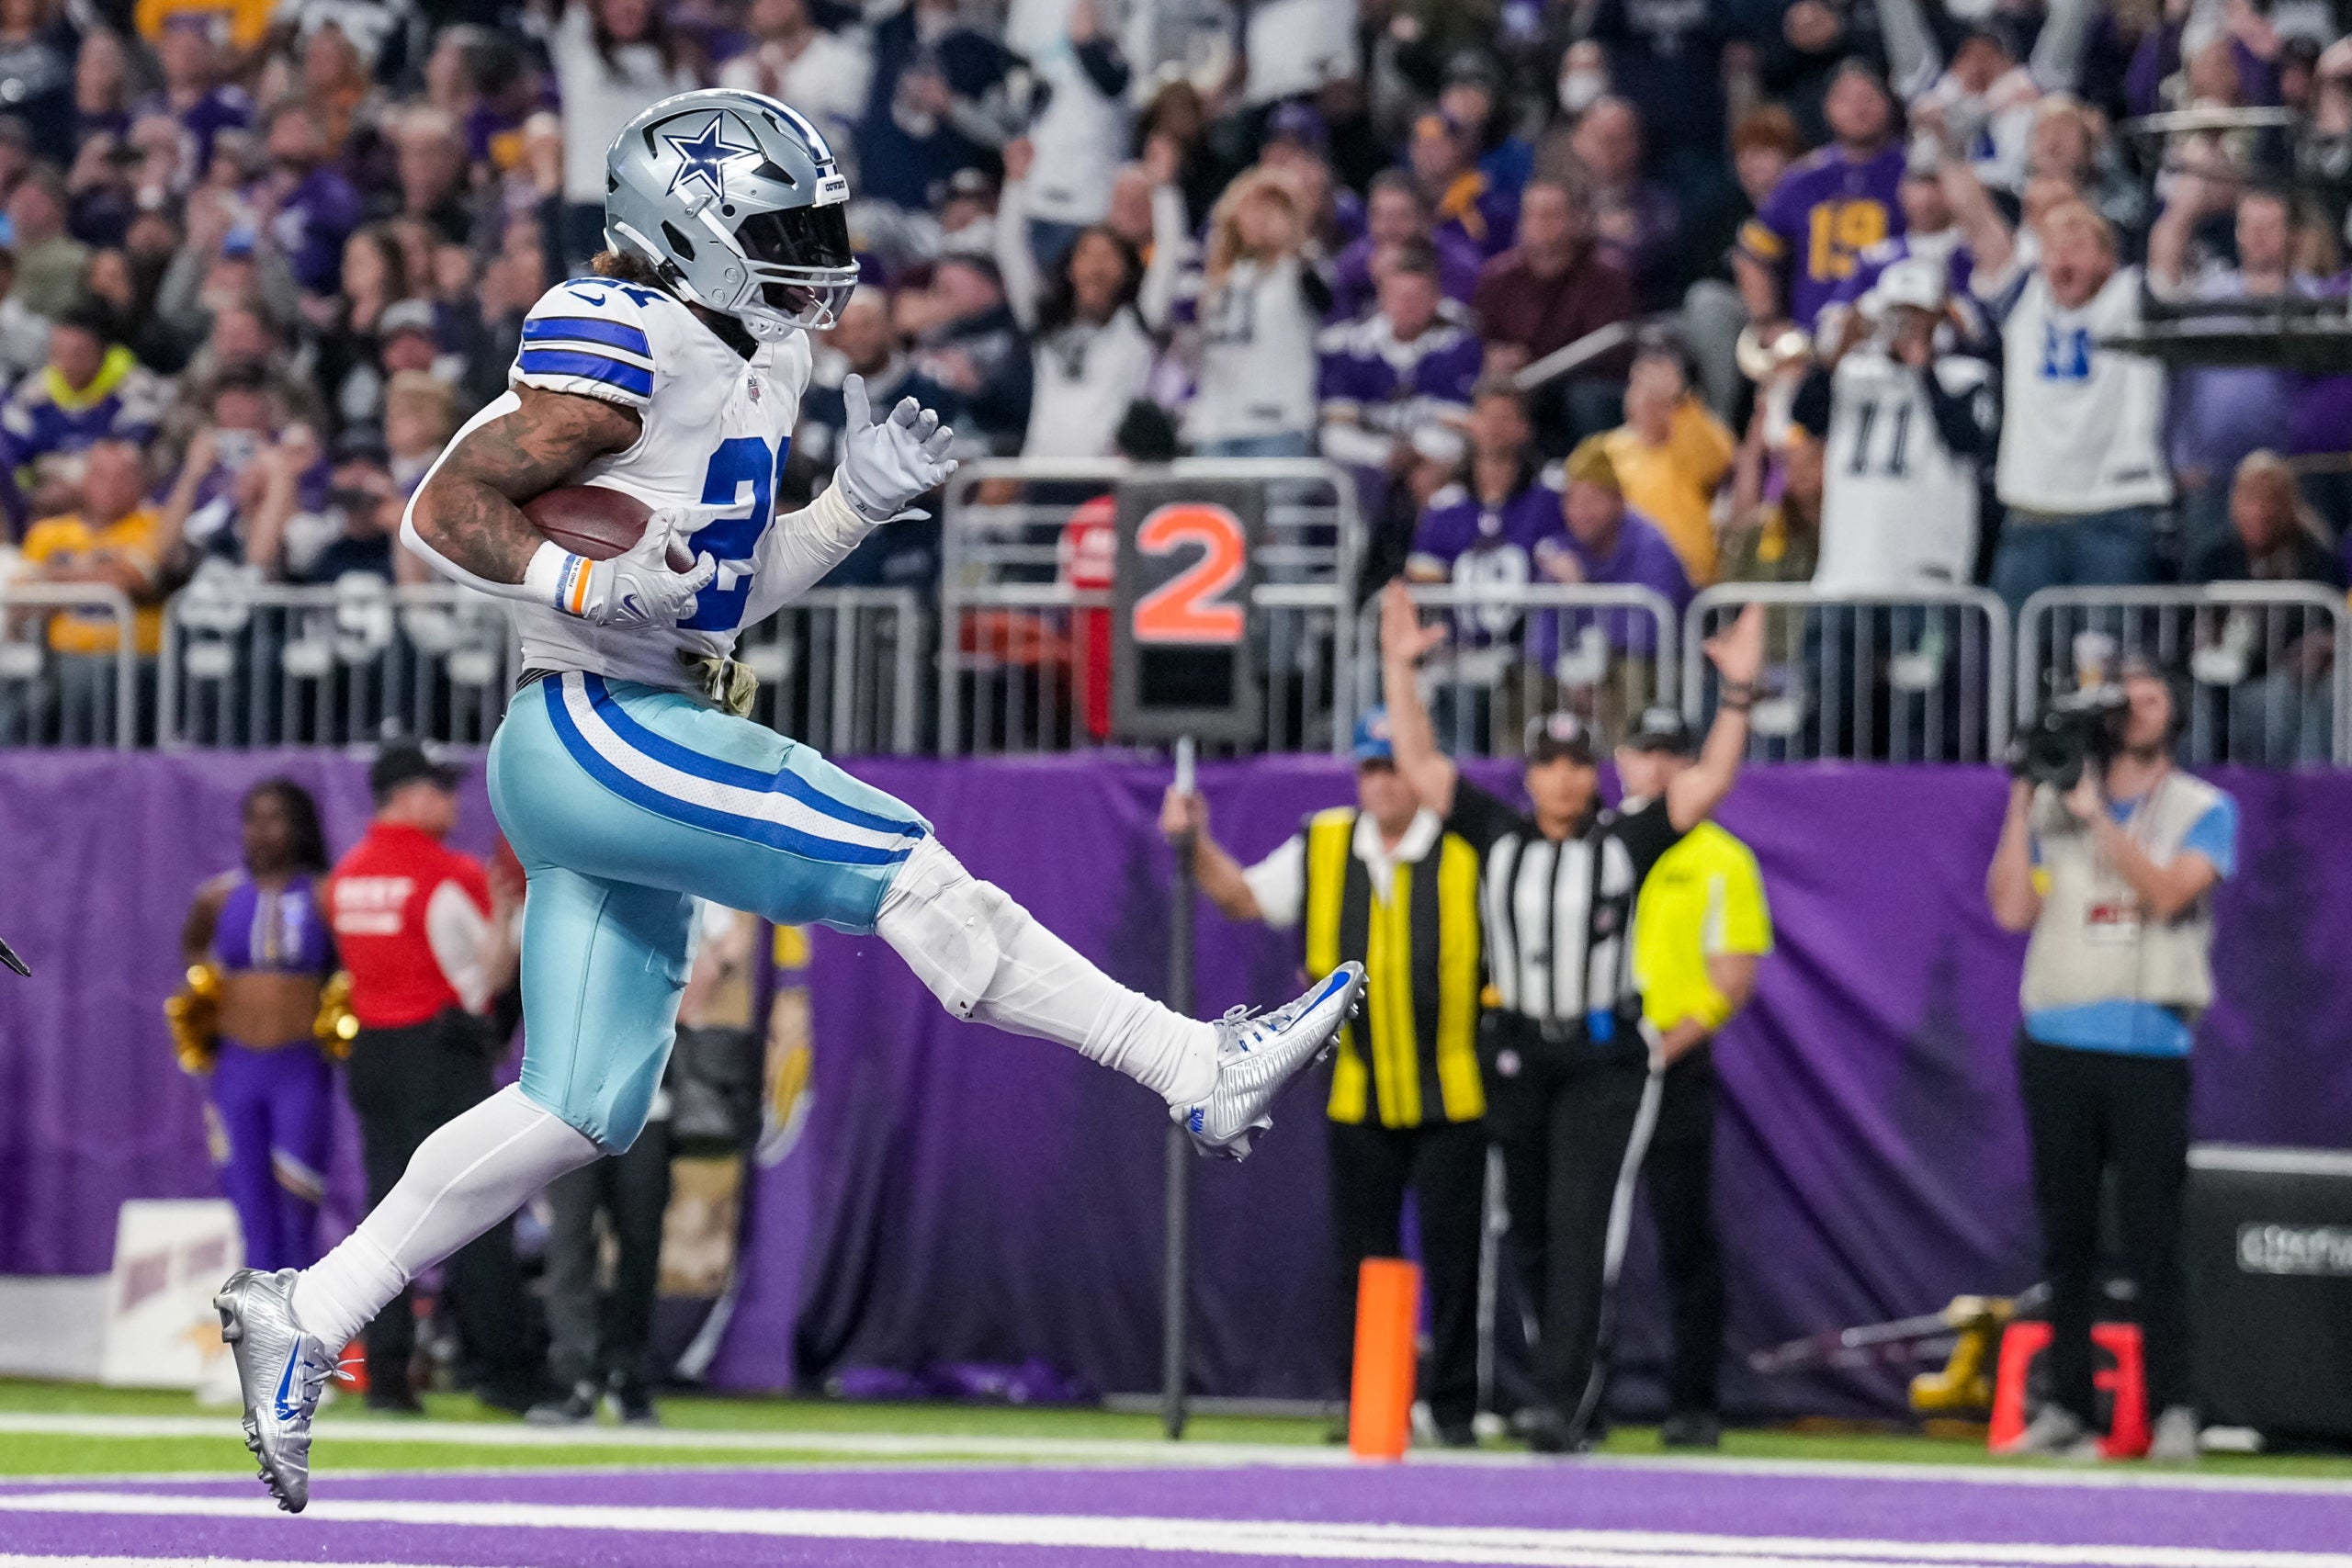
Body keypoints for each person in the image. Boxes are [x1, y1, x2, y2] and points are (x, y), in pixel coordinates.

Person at [217, 88, 1362, 1514]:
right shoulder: (622, 325)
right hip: (591, 719)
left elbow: (723, 598)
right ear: (686, 228)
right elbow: (442, 507)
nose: (816, 253)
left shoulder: (761, 358)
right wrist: (590, 579)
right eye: (785, 226)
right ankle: (1191, 1063)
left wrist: (849, 511)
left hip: (637, 720)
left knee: (579, 1104)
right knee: (908, 866)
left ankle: (308, 1312)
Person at [1377, 581, 1764, 1452]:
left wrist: (1737, 693)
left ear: (1592, 774)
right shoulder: (1497, 834)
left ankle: (1558, 1401)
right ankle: (1565, 1390)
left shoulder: (1625, 840)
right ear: (1528, 773)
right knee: (1531, 1228)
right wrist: (1400, 669)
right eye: (1547, 761)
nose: (1562, 776)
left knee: (1585, 1217)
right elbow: (1421, 763)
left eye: (1576, 762)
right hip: (1517, 1049)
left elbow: (1710, 781)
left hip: (1603, 1058)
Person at [1160, 711, 1487, 1448]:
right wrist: (1196, 841)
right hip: (1357, 1089)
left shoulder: (1466, 848)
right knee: (1361, 1256)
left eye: (1394, 765)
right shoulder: (1326, 843)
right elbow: (1243, 896)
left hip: (1454, 1083)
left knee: (1456, 1256)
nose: (1383, 782)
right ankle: (1367, 1401)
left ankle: (1458, 1408)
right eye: (1371, 767)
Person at [1985, 658, 2233, 1465]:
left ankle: (2172, 1408)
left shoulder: (2204, 807)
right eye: (2122, 694)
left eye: (2151, 694)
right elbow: (2011, 907)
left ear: (2177, 712)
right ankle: (2068, 1404)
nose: (2133, 706)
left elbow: (2167, 894)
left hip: (2149, 1044)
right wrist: (2026, 794)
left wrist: (2097, 817)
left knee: (2155, 1234)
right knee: (2066, 1238)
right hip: (2057, 1037)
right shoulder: (2059, 801)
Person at [320, 743, 533, 1417]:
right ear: (408, 795)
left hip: (374, 1052)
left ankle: (385, 1373)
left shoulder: (348, 876)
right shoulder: (448, 872)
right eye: (441, 790)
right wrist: (508, 917)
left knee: (385, 1215)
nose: (453, 802)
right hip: (440, 1053)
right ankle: (501, 1367)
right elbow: (490, 978)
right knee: (475, 1205)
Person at [1623, 713, 1772, 1448]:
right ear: (1622, 759)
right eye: (1644, 752)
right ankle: (1569, 1388)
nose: (1656, 767)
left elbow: (1733, 978)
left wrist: (1664, 1043)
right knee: (1574, 1230)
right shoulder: (1599, 841)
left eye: (1671, 754)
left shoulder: (1722, 857)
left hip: (1669, 1060)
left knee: (1684, 1233)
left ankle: (1693, 1399)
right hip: (1592, 1063)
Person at [1944, 159, 2170, 619]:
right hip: (2032, 512)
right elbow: (1977, 221)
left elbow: (2169, 248)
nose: (2063, 259)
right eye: (2054, 248)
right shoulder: (2022, 299)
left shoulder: (2134, 298)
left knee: (2108, 665)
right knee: (2017, 660)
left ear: (2107, 256)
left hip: (2116, 508)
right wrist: (1947, 145)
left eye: (2078, 247)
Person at [168, 781, 343, 1274]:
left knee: (298, 1203)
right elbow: (194, 947)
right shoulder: (218, 897)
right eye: (252, 818)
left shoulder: (324, 896)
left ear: (300, 826)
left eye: (275, 818)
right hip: (236, 1072)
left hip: (300, 1069)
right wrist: (213, 998)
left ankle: (306, 1328)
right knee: (249, 1203)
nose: (261, 830)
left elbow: (352, 965)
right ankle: (260, 1329)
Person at [1736, 62, 1908, 334]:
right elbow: (1752, 255)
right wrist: (1767, 323)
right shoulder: (1803, 177)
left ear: (1889, 102)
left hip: (1894, 332)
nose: (1858, 109)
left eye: (1867, 97)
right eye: (1846, 99)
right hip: (1813, 340)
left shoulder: (1913, 170)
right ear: (1827, 107)